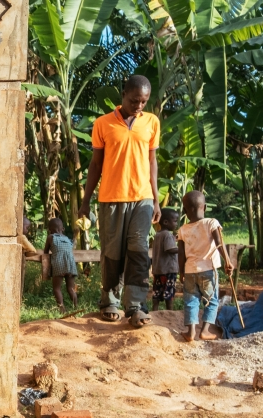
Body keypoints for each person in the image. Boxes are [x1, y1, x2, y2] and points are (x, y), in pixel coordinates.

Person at [78, 75, 161, 328]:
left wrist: (156, 199)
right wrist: (85, 200)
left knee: (137, 250)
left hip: (142, 198)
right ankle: (109, 300)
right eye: (135, 100)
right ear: (123, 95)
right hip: (111, 198)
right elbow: (95, 164)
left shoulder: (151, 123)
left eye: (144, 101)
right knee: (112, 253)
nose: (139, 106)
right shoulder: (103, 124)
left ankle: (135, 305)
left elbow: (152, 161)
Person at [177, 191, 233, 342]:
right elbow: (220, 243)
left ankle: (190, 333)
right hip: (208, 269)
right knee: (212, 301)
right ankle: (205, 331)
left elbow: (180, 254)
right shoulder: (211, 222)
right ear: (205, 207)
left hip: (189, 271)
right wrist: (227, 261)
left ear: (185, 211)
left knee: (191, 301)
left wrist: (180, 272)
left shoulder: (182, 230)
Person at [43, 217, 78, 314]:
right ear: (63, 229)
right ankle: (76, 307)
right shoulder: (67, 239)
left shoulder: (51, 237)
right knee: (70, 288)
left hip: (59, 265)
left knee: (57, 288)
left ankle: (62, 309)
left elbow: (45, 252)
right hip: (70, 265)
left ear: (50, 230)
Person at [150, 209, 180, 311]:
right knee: (169, 292)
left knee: (157, 292)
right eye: (175, 221)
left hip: (158, 269)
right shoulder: (167, 235)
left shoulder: (157, 235)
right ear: (166, 222)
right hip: (169, 270)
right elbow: (170, 249)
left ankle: (154, 310)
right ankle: (169, 312)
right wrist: (182, 250)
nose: (176, 223)